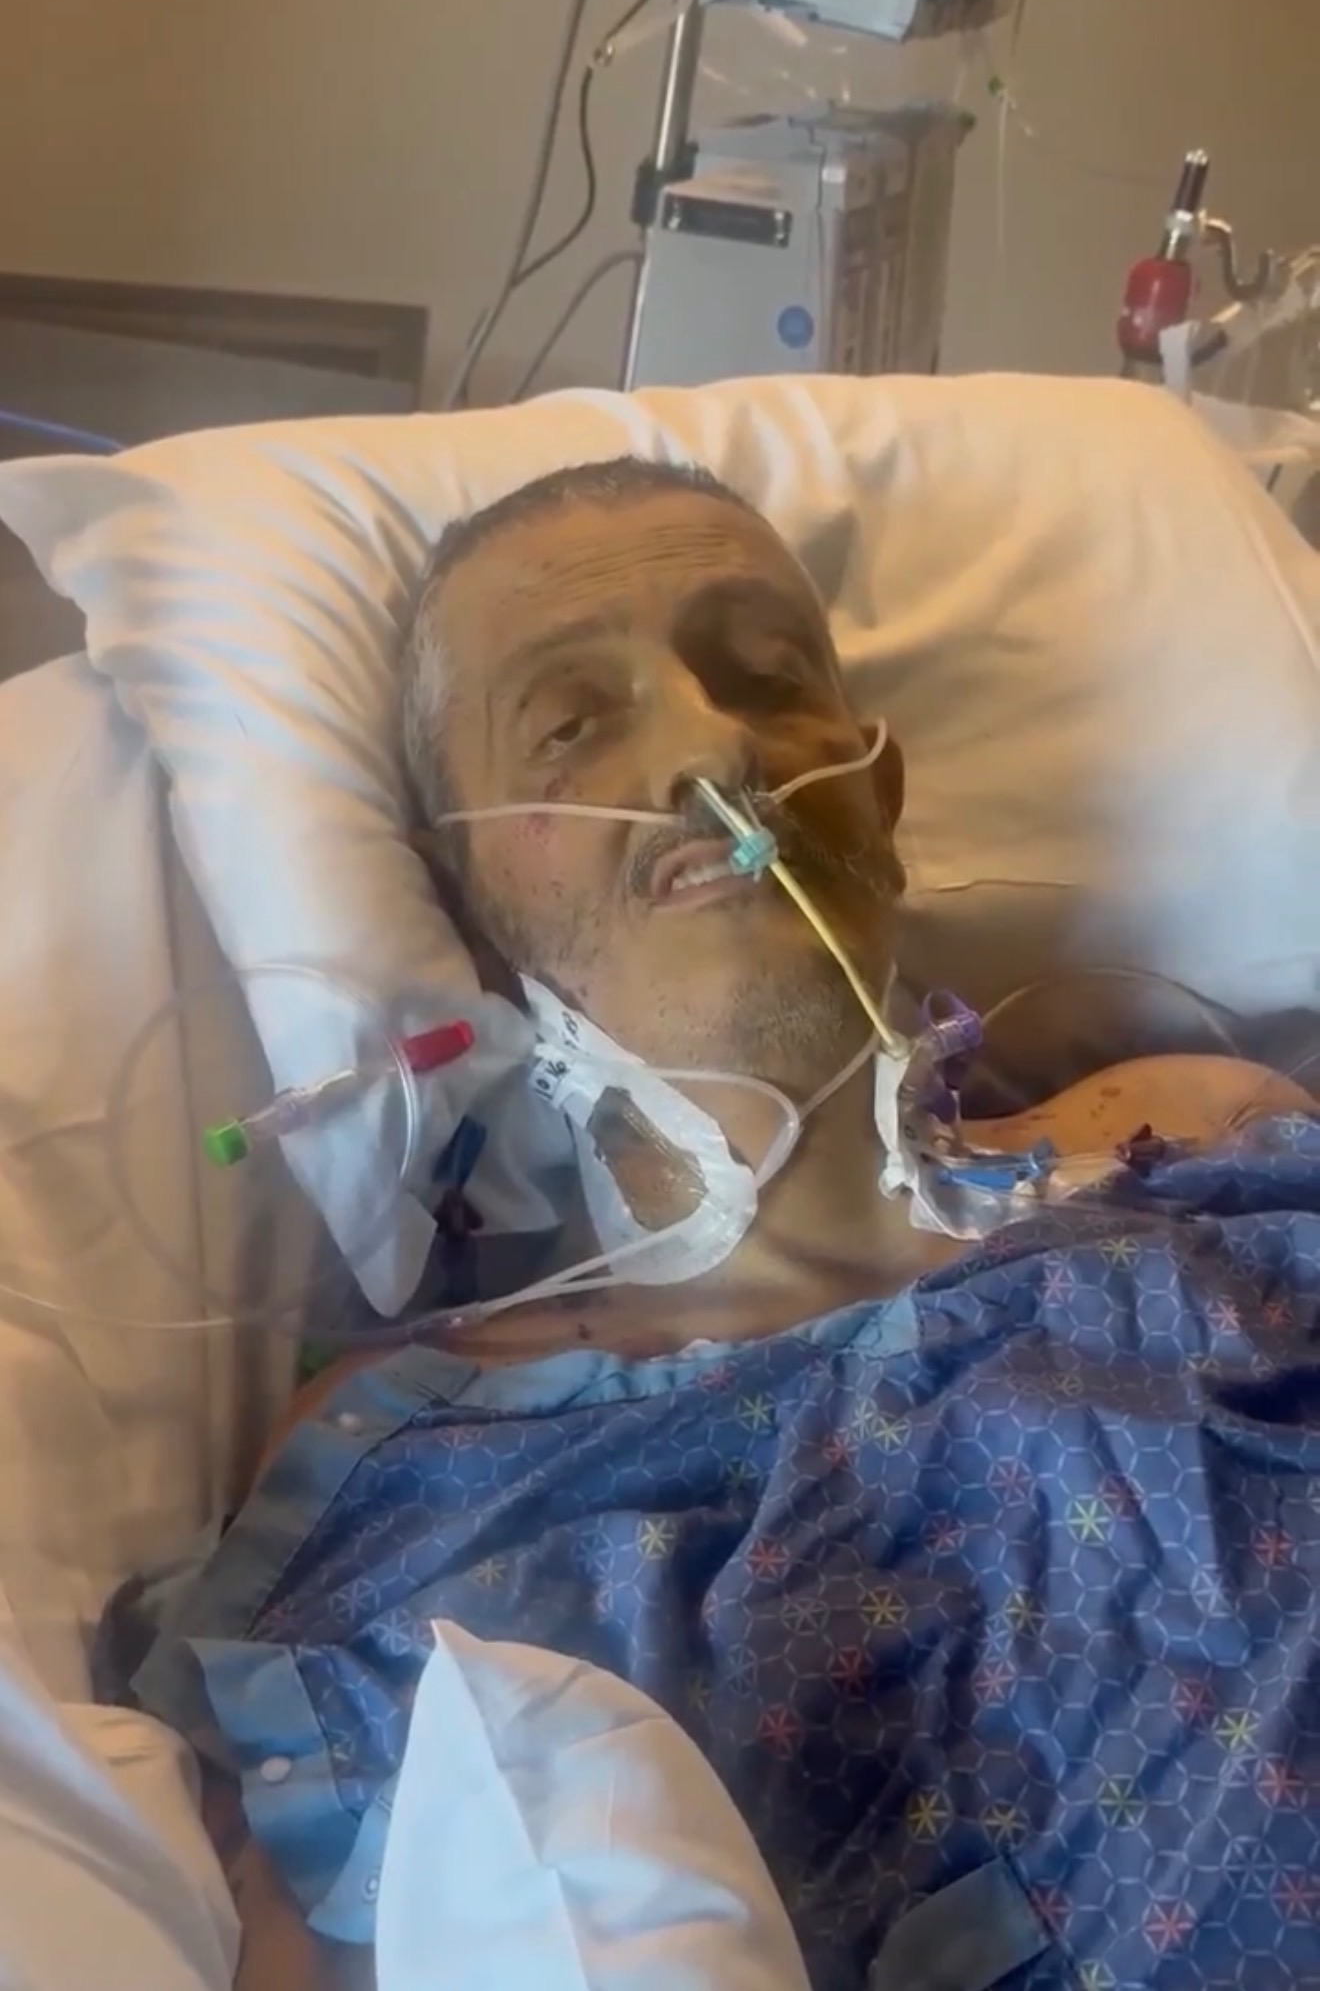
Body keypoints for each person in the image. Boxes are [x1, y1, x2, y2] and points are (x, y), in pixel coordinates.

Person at [111, 461, 1319, 1991]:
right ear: (471, 902)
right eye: (572, 724)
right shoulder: (419, 1456)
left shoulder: (1203, 1137)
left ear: (880, 799)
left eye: (766, 676)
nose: (710, 745)